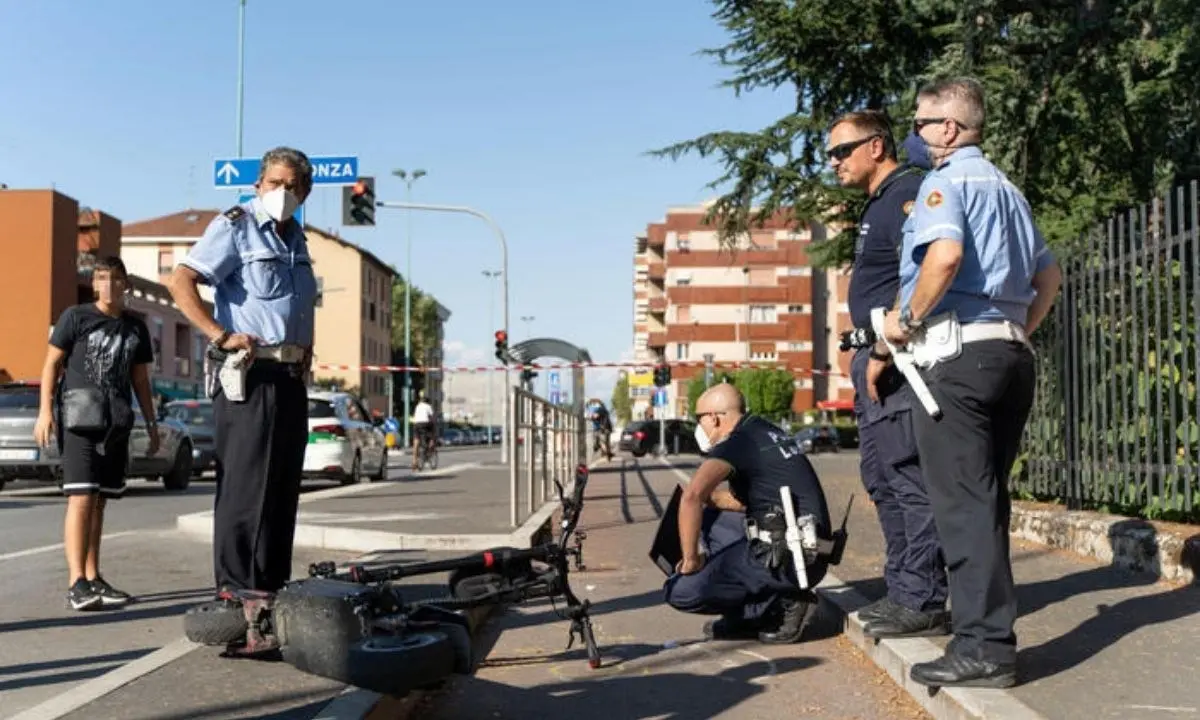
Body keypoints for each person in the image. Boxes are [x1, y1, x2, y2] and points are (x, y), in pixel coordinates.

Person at [881, 77, 1062, 688]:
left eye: (924, 122)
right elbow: (1049, 276)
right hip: (1009, 357)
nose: (917, 133)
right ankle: (987, 640)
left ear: (950, 129)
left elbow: (945, 257)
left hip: (957, 361)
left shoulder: (946, 182)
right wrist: (1015, 328)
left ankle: (984, 648)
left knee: (963, 508)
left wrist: (904, 323)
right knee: (987, 504)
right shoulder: (1009, 191)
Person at [167, 146, 318, 597]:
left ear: (305, 191)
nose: (283, 193)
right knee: (246, 487)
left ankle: (271, 588)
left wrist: (307, 347)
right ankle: (236, 591)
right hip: (250, 375)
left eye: (293, 186)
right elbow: (181, 280)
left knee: (282, 488)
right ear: (258, 185)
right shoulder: (237, 225)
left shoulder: (298, 241)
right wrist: (218, 334)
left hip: (289, 377)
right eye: (275, 183)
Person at [827, 110, 949, 638]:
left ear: (876, 146)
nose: (833, 163)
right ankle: (903, 589)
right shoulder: (880, 202)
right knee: (881, 478)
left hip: (896, 360)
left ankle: (924, 596)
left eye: (841, 151)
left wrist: (882, 345)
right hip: (873, 358)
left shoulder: (909, 191)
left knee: (906, 477)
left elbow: (919, 270)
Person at [663, 383, 833, 644]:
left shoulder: (736, 442)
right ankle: (751, 612)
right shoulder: (764, 431)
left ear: (715, 417)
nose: (700, 428)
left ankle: (782, 602)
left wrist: (690, 560)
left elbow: (691, 497)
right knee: (710, 518)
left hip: (790, 559)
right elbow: (743, 500)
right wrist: (709, 499)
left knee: (680, 591)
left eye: (699, 419)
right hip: (811, 552)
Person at [33, 256, 157, 611]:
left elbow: (140, 380)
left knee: (100, 501)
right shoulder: (76, 317)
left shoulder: (136, 328)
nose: (109, 285)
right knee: (82, 498)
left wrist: (151, 424)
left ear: (126, 284)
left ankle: (93, 576)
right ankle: (77, 583)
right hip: (78, 419)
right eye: (102, 278)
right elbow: (51, 364)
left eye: (116, 279)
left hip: (115, 422)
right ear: (94, 284)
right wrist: (45, 413)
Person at [411, 393, 435, 468]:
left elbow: (415, 416)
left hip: (416, 424)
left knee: (416, 441)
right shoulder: (428, 406)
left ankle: (414, 460)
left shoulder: (418, 406)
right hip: (424, 424)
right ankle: (427, 449)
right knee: (430, 435)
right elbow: (432, 417)